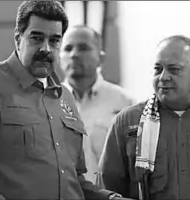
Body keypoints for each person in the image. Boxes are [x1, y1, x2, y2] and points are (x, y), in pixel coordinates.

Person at [0, 1, 134, 200]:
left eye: (54, 40)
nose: (46, 48)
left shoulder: (65, 96)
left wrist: (109, 198)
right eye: (36, 38)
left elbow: (75, 180)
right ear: (17, 38)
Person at [97, 35, 190, 200]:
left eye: (174, 69)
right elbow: (107, 189)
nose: (163, 77)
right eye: (158, 69)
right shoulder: (129, 122)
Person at [59, 25, 137, 183]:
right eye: (67, 48)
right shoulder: (45, 101)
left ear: (100, 57)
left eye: (83, 48)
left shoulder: (124, 103)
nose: (74, 55)